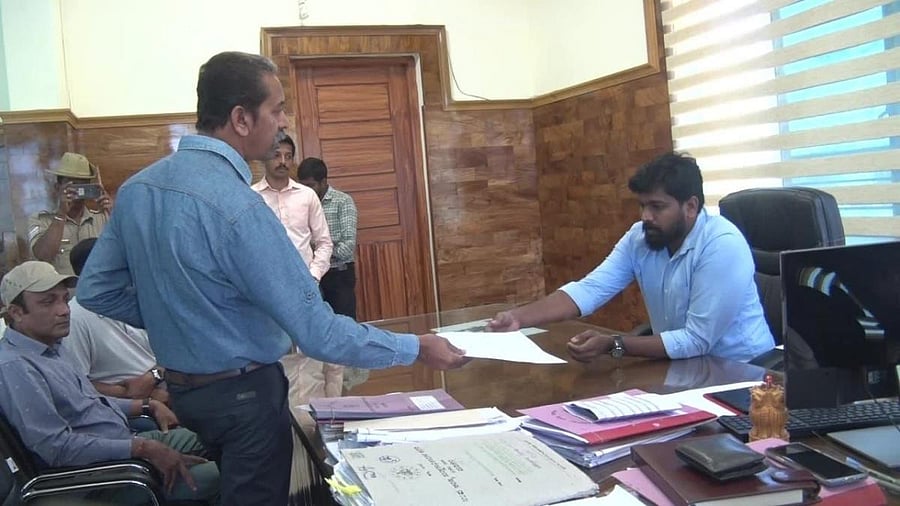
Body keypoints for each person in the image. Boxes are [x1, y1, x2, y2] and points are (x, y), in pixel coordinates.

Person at [76, 51, 468, 506]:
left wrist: (179, 316)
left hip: (184, 393)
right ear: (242, 118)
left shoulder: (138, 189)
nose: (284, 121)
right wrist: (416, 347)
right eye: (277, 109)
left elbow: (96, 289)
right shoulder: (240, 209)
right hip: (243, 399)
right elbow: (318, 332)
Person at [488, 152, 774, 363]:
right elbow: (590, 289)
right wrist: (518, 318)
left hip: (745, 376)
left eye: (657, 206)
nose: (645, 216)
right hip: (684, 367)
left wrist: (615, 344)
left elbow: (697, 339)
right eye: (642, 206)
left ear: (690, 206)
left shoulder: (722, 244)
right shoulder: (640, 237)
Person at [0, 261, 218, 503]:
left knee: (224, 436)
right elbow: (56, 448)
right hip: (105, 476)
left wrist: (146, 405)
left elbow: (89, 403)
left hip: (125, 443)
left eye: (64, 298)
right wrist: (141, 449)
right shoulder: (17, 367)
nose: (64, 310)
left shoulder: (52, 347)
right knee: (232, 474)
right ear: (16, 312)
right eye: (48, 302)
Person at [252, 136, 343, 404]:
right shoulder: (251, 197)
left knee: (321, 352)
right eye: (276, 155)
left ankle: (328, 411)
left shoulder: (307, 196)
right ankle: (285, 411)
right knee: (280, 357)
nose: (282, 161)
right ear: (264, 158)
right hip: (268, 291)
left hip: (307, 288)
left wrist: (313, 276)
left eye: (288, 156)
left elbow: (324, 242)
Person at [60, 238, 167, 404]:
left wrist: (155, 377)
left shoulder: (136, 298)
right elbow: (75, 384)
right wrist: (129, 394)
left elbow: (174, 350)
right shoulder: (76, 317)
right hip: (124, 403)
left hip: (166, 380)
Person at [298, 156, 369, 391]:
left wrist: (319, 252)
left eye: (310, 185)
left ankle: (348, 385)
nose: (306, 190)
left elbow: (347, 246)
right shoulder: (300, 203)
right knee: (316, 329)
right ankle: (322, 386)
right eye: (302, 184)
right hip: (310, 277)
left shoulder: (342, 202)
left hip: (338, 275)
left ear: (323, 181)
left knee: (344, 327)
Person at [28, 152, 113, 275]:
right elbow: (43, 256)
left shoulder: (103, 218)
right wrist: (61, 214)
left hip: (98, 290)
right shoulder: (40, 220)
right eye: (72, 184)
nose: (76, 190)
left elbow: (129, 251)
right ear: (58, 188)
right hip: (63, 292)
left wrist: (114, 213)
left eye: (82, 184)